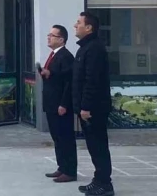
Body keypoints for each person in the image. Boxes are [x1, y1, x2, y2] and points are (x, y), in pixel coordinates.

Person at [73, 12, 113, 196]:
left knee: (98, 146)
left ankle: (105, 184)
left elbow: (92, 81)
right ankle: (98, 180)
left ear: (88, 28)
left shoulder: (94, 48)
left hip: (94, 109)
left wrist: (86, 107)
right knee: (93, 147)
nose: (75, 25)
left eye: (79, 23)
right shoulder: (85, 48)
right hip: (87, 107)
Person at [41, 24, 77, 183]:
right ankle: (62, 167)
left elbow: (68, 82)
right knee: (57, 137)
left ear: (61, 39)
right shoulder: (54, 55)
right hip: (51, 103)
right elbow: (56, 77)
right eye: (48, 35)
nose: (49, 37)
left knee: (65, 137)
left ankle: (70, 171)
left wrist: (64, 104)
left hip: (60, 105)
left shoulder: (65, 56)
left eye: (52, 35)